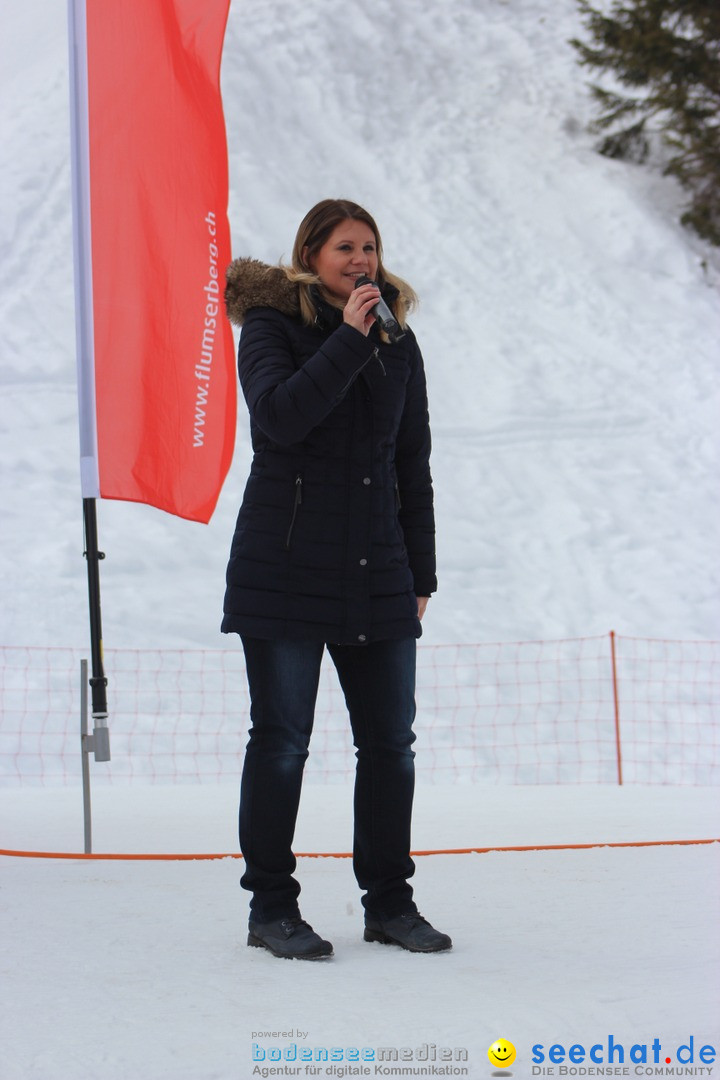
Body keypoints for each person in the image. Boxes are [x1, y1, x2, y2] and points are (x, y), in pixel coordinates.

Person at [222, 199, 451, 960]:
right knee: (283, 742)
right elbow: (279, 419)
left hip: (377, 571)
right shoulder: (270, 325)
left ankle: (389, 903)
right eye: (346, 248)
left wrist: (420, 571)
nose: (362, 261)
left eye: (371, 249)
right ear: (312, 254)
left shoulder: (400, 342)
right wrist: (350, 340)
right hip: (283, 568)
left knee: (392, 745)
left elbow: (409, 466)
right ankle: (272, 910)